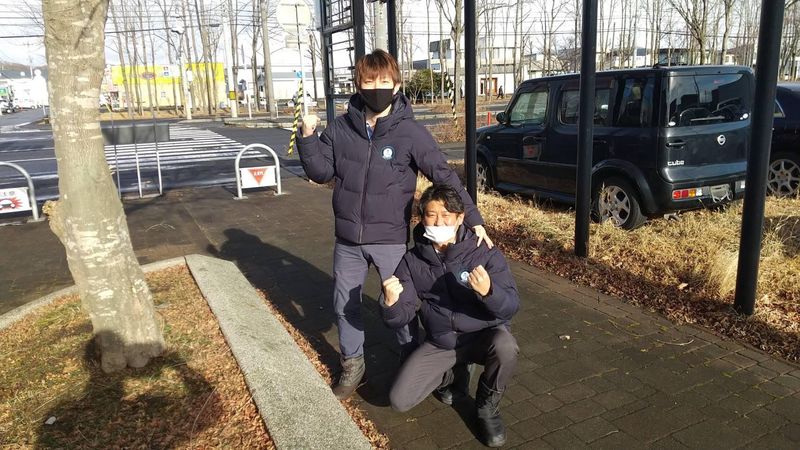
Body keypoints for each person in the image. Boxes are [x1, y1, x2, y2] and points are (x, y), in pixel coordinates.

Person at [297, 49, 493, 400]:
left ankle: (413, 362)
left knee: (401, 305)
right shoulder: (340, 128)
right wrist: (308, 137)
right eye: (369, 81)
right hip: (348, 240)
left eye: (384, 81)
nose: (377, 88)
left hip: (389, 239)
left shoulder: (410, 133)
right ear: (358, 85)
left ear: (397, 84)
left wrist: (473, 219)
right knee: (345, 305)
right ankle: (352, 364)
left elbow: (444, 175)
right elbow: (321, 172)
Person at [382, 185, 519, 448]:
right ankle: (451, 374)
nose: (439, 222)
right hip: (442, 342)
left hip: (482, 336)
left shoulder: (484, 251)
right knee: (399, 400)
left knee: (506, 346)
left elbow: (511, 306)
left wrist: (489, 292)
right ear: (422, 219)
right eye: (431, 215)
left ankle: (487, 409)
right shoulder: (412, 261)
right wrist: (390, 305)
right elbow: (400, 315)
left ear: (460, 218)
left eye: (446, 215)